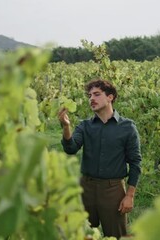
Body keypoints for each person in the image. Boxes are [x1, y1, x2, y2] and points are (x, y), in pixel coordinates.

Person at [58, 78, 142, 239]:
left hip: (113, 190)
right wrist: (66, 127)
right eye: (89, 95)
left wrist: (129, 195)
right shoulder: (85, 126)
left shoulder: (127, 127)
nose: (91, 99)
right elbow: (71, 148)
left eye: (97, 94)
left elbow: (135, 163)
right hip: (86, 188)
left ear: (110, 97)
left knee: (116, 235)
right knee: (83, 235)